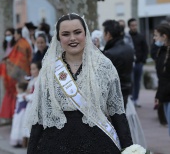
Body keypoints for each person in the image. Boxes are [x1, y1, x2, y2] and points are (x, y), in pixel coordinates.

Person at [24, 13, 151, 154]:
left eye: (77, 32)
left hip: (98, 144)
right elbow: (40, 116)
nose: (72, 38)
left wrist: (129, 148)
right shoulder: (49, 70)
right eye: (66, 34)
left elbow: (117, 112)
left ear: (86, 34)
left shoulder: (104, 66)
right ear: (58, 38)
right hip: (55, 145)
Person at [102, 20, 147, 148]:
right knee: (123, 124)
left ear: (108, 34)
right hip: (127, 90)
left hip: (115, 94)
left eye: (104, 33)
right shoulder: (128, 48)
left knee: (115, 127)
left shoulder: (109, 54)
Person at [0, 28, 32, 119]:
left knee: (20, 95)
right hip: (17, 73)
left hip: (19, 74)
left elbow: (20, 61)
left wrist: (10, 66)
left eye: (14, 34)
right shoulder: (19, 44)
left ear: (19, 34)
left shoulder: (21, 44)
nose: (13, 36)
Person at [153, 24, 170, 135]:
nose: (154, 38)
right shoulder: (161, 51)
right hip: (165, 95)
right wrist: (159, 95)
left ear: (164, 36)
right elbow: (162, 77)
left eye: (156, 35)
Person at [128, 18, 148, 107]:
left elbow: (145, 49)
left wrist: (143, 60)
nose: (134, 27)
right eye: (132, 25)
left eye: (135, 25)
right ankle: (131, 98)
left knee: (137, 82)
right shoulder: (127, 37)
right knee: (131, 82)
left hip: (139, 63)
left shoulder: (141, 36)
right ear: (129, 26)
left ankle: (136, 99)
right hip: (129, 64)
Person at [10, 82, 28, 147]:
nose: (16, 89)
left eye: (17, 88)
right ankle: (16, 141)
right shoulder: (19, 95)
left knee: (21, 126)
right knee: (16, 126)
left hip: (22, 114)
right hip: (18, 113)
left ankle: (21, 141)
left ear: (21, 89)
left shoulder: (24, 96)